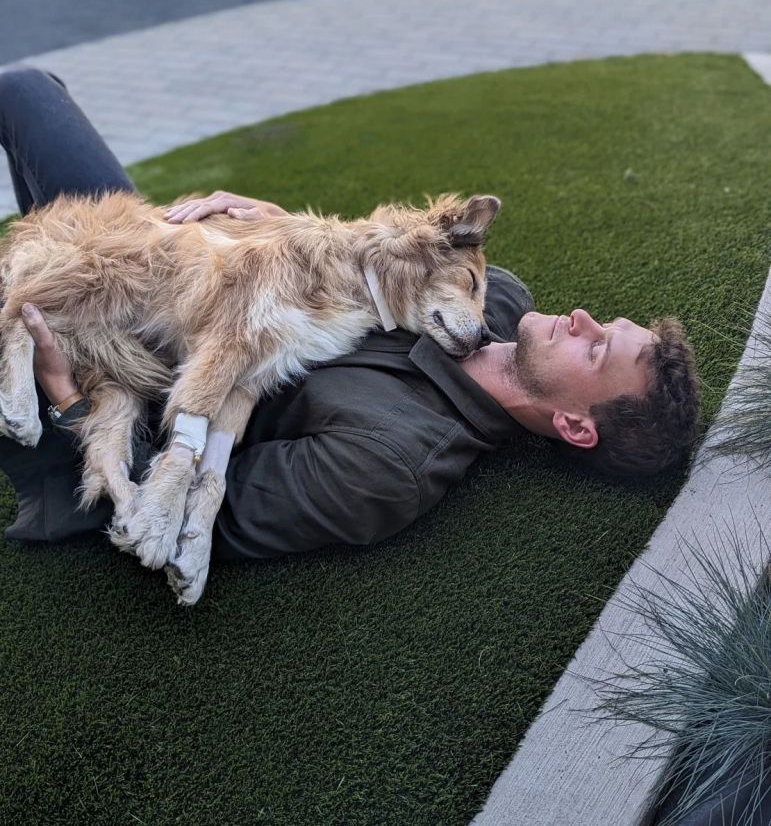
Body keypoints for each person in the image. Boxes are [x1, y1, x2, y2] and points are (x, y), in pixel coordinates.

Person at [0, 69, 701, 560]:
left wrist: (68, 397)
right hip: (159, 277)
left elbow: (196, 509)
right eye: (602, 319)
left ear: (574, 425)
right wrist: (276, 231)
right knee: (27, 92)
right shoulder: (501, 296)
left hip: (120, 386)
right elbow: (365, 271)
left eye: (595, 348)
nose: (580, 316)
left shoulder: (392, 462)